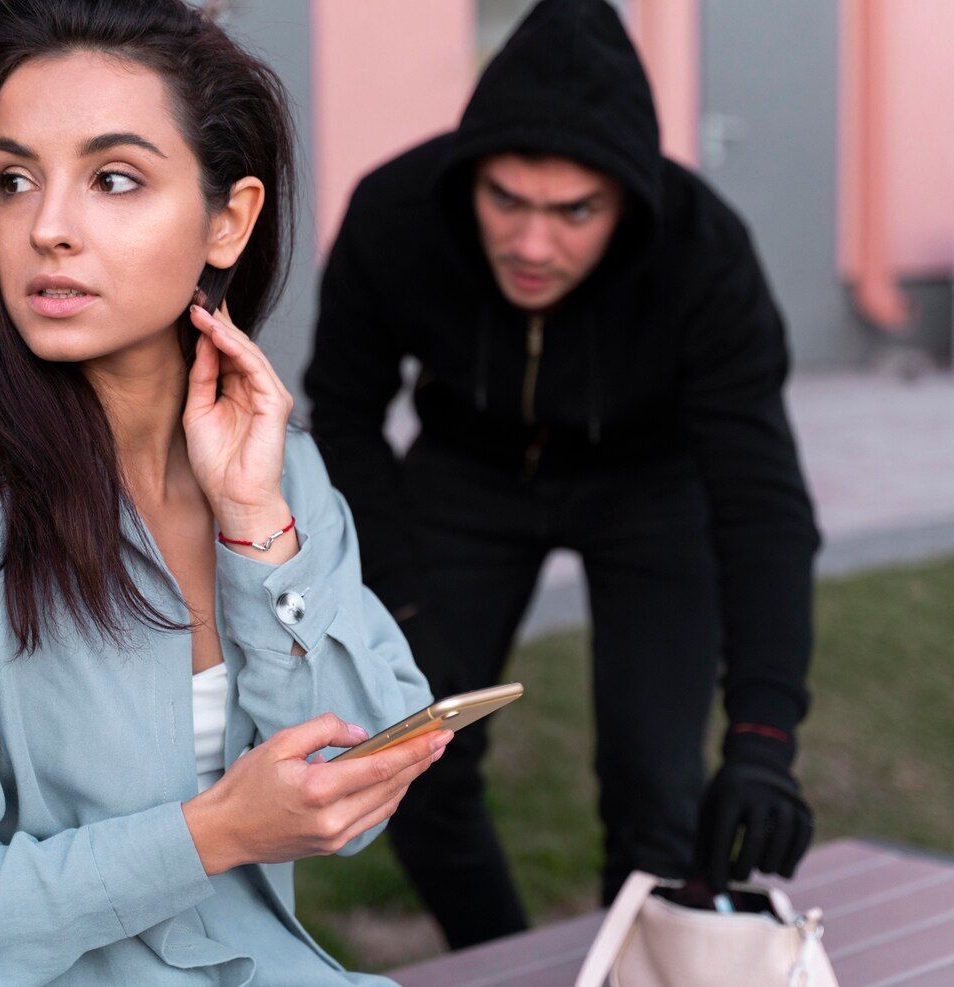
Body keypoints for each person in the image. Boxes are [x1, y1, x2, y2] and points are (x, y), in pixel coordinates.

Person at [0, 1, 444, 982]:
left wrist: (256, 530)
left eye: (112, 178)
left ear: (227, 221)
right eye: (14, 180)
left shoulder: (280, 470)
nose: (47, 229)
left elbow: (353, 796)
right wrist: (210, 835)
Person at [303, 0, 821, 950]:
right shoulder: (396, 212)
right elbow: (341, 413)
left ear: (627, 197)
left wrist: (764, 734)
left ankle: (632, 968)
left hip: (651, 483)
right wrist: (403, 602)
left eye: (574, 210)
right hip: (467, 468)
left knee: (655, 788)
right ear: (471, 177)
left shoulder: (704, 253)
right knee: (412, 758)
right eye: (507, 199)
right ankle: (499, 956)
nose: (533, 244)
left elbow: (763, 503)